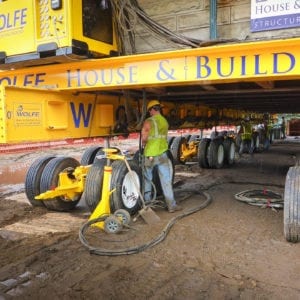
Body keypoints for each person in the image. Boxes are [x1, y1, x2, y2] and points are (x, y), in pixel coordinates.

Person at [141, 100, 182, 213]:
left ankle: (148, 206)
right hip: (163, 154)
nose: (149, 113)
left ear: (152, 109)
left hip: (150, 154)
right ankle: (171, 205)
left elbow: (144, 138)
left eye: (149, 111)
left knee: (148, 180)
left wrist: (144, 144)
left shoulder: (148, 121)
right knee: (166, 180)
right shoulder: (165, 121)